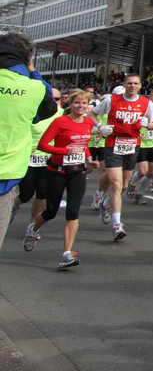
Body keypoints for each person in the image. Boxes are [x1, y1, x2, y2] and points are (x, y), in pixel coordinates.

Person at [24, 89, 98, 268]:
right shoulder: (60, 122)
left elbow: (83, 145)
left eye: (84, 103)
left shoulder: (89, 122)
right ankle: (33, 229)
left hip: (77, 172)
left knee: (73, 211)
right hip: (56, 171)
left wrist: (89, 159)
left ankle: (66, 254)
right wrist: (65, 151)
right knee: (51, 211)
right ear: (70, 104)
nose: (80, 106)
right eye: (77, 103)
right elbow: (43, 145)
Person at [86, 73, 153, 241]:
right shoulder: (111, 100)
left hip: (133, 145)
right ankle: (117, 225)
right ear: (124, 85)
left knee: (124, 185)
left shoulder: (146, 103)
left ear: (140, 86)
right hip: (113, 144)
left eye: (135, 84)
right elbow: (91, 115)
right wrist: (100, 127)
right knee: (116, 184)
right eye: (129, 83)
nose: (132, 86)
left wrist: (148, 125)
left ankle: (105, 204)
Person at [10, 87, 63, 229]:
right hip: (30, 158)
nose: (54, 102)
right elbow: (19, 131)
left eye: (57, 99)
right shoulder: (35, 112)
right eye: (51, 98)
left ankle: (32, 226)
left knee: (42, 194)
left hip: (49, 159)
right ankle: (14, 205)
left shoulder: (63, 115)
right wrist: (25, 149)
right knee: (26, 194)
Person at [130, 88, 153, 204]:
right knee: (143, 171)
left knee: (151, 172)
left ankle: (139, 193)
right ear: (149, 98)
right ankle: (132, 183)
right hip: (142, 144)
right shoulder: (142, 108)